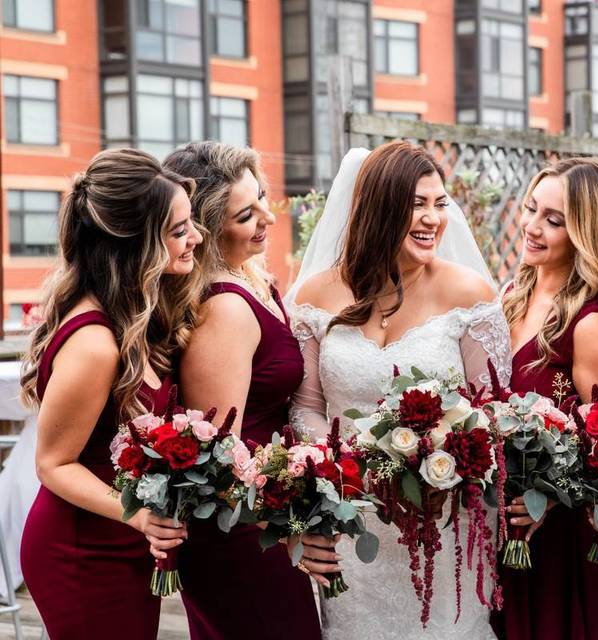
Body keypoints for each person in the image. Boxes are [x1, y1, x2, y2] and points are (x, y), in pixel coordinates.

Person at [287, 141, 511, 639]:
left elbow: (490, 406)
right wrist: (342, 473)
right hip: (351, 522)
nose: (432, 219)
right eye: (416, 204)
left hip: (442, 521)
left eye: (440, 204)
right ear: (378, 207)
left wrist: (445, 465)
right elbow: (306, 405)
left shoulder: (469, 294)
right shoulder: (316, 295)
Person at [19, 148, 202, 639]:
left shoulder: (131, 320)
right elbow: (53, 463)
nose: (196, 238)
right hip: (82, 550)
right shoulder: (95, 343)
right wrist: (141, 516)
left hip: (122, 541)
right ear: (137, 244)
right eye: (180, 230)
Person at [163, 142, 328, 638]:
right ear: (207, 229)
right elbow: (221, 452)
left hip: (265, 518)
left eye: (261, 200)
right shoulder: (224, 308)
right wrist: (294, 525)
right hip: (241, 532)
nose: (267, 220)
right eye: (245, 215)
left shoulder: (253, 277)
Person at [495, 158, 598, 640]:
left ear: (584, 232)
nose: (532, 227)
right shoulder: (511, 294)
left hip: (558, 539)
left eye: (554, 220)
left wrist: (550, 497)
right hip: (499, 525)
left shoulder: (590, 325)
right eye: (532, 209)